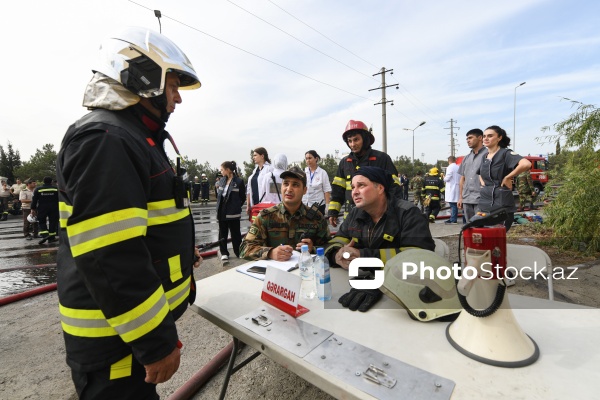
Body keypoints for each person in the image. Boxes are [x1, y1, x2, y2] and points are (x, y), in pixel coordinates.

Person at [55, 27, 203, 398]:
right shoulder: (107, 139)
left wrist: (181, 252)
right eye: (173, 86)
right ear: (143, 77)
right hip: (115, 341)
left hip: (123, 332)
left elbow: (141, 224)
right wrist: (156, 343)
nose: (177, 100)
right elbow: (111, 254)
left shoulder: (132, 136)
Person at [323, 166, 434, 312]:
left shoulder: (408, 213)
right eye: (352, 187)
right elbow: (338, 239)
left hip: (402, 295)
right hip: (358, 283)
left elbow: (420, 256)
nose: (354, 192)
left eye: (361, 185)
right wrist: (336, 253)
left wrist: (364, 257)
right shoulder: (355, 214)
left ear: (380, 188)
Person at [239, 166, 330, 261]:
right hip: (275, 272)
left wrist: (313, 249)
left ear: (304, 190)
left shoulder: (316, 217)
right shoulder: (265, 216)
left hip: (306, 272)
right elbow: (244, 248)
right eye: (286, 184)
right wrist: (270, 253)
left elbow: (329, 246)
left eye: (295, 185)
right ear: (281, 187)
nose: (289, 189)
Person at [328, 120, 401, 227]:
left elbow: (394, 188)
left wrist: (393, 214)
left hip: (377, 217)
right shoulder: (344, 163)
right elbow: (337, 191)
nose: (353, 144)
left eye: (356, 140)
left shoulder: (382, 158)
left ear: (365, 139)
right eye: (350, 141)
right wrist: (333, 212)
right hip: (351, 218)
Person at [478, 125, 531, 231]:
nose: (486, 138)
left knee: (497, 236)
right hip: (485, 203)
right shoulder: (484, 156)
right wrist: (483, 185)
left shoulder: (505, 153)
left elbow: (526, 164)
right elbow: (479, 173)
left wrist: (508, 177)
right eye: (484, 136)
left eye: (490, 136)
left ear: (499, 138)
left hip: (501, 203)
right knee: (484, 236)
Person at [216, 161, 246, 261]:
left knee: (236, 233)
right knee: (222, 233)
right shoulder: (221, 181)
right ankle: (224, 252)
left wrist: (236, 206)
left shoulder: (238, 182)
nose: (221, 172)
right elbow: (219, 196)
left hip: (233, 212)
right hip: (222, 211)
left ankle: (238, 251)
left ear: (228, 170)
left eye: (222, 170)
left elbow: (242, 197)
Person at [458, 128, 486, 223]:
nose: (468, 141)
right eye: (467, 139)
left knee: (482, 227)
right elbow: (462, 178)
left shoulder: (488, 155)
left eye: (470, 138)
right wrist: (461, 197)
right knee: (470, 227)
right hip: (467, 199)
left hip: (481, 199)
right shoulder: (466, 158)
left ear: (480, 138)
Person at [30, 176, 59, 244]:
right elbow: (59, 198)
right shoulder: (56, 189)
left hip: (42, 208)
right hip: (54, 208)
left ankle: (45, 235)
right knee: (53, 222)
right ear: (51, 182)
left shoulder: (38, 189)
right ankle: (52, 238)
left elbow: (34, 200)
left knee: (42, 221)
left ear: (43, 181)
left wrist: (33, 208)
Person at [246, 147, 274, 215]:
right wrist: (248, 205)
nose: (253, 157)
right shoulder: (255, 171)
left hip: (266, 206)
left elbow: (273, 189)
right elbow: (249, 189)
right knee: (255, 224)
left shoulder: (270, 169)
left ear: (262, 156)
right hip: (255, 205)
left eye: (255, 155)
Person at [302, 150, 331, 215]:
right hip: (305, 204)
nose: (308, 160)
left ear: (316, 159)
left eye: (310, 158)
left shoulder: (322, 173)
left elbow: (327, 190)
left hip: (318, 205)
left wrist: (327, 205)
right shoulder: (303, 172)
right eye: (306, 159)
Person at [444, 156, 460, 224]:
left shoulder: (450, 167)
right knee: (455, 204)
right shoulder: (458, 167)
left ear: (449, 161)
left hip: (452, 188)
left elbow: (447, 178)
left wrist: (443, 177)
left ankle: (453, 219)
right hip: (457, 187)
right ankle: (453, 218)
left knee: (453, 205)